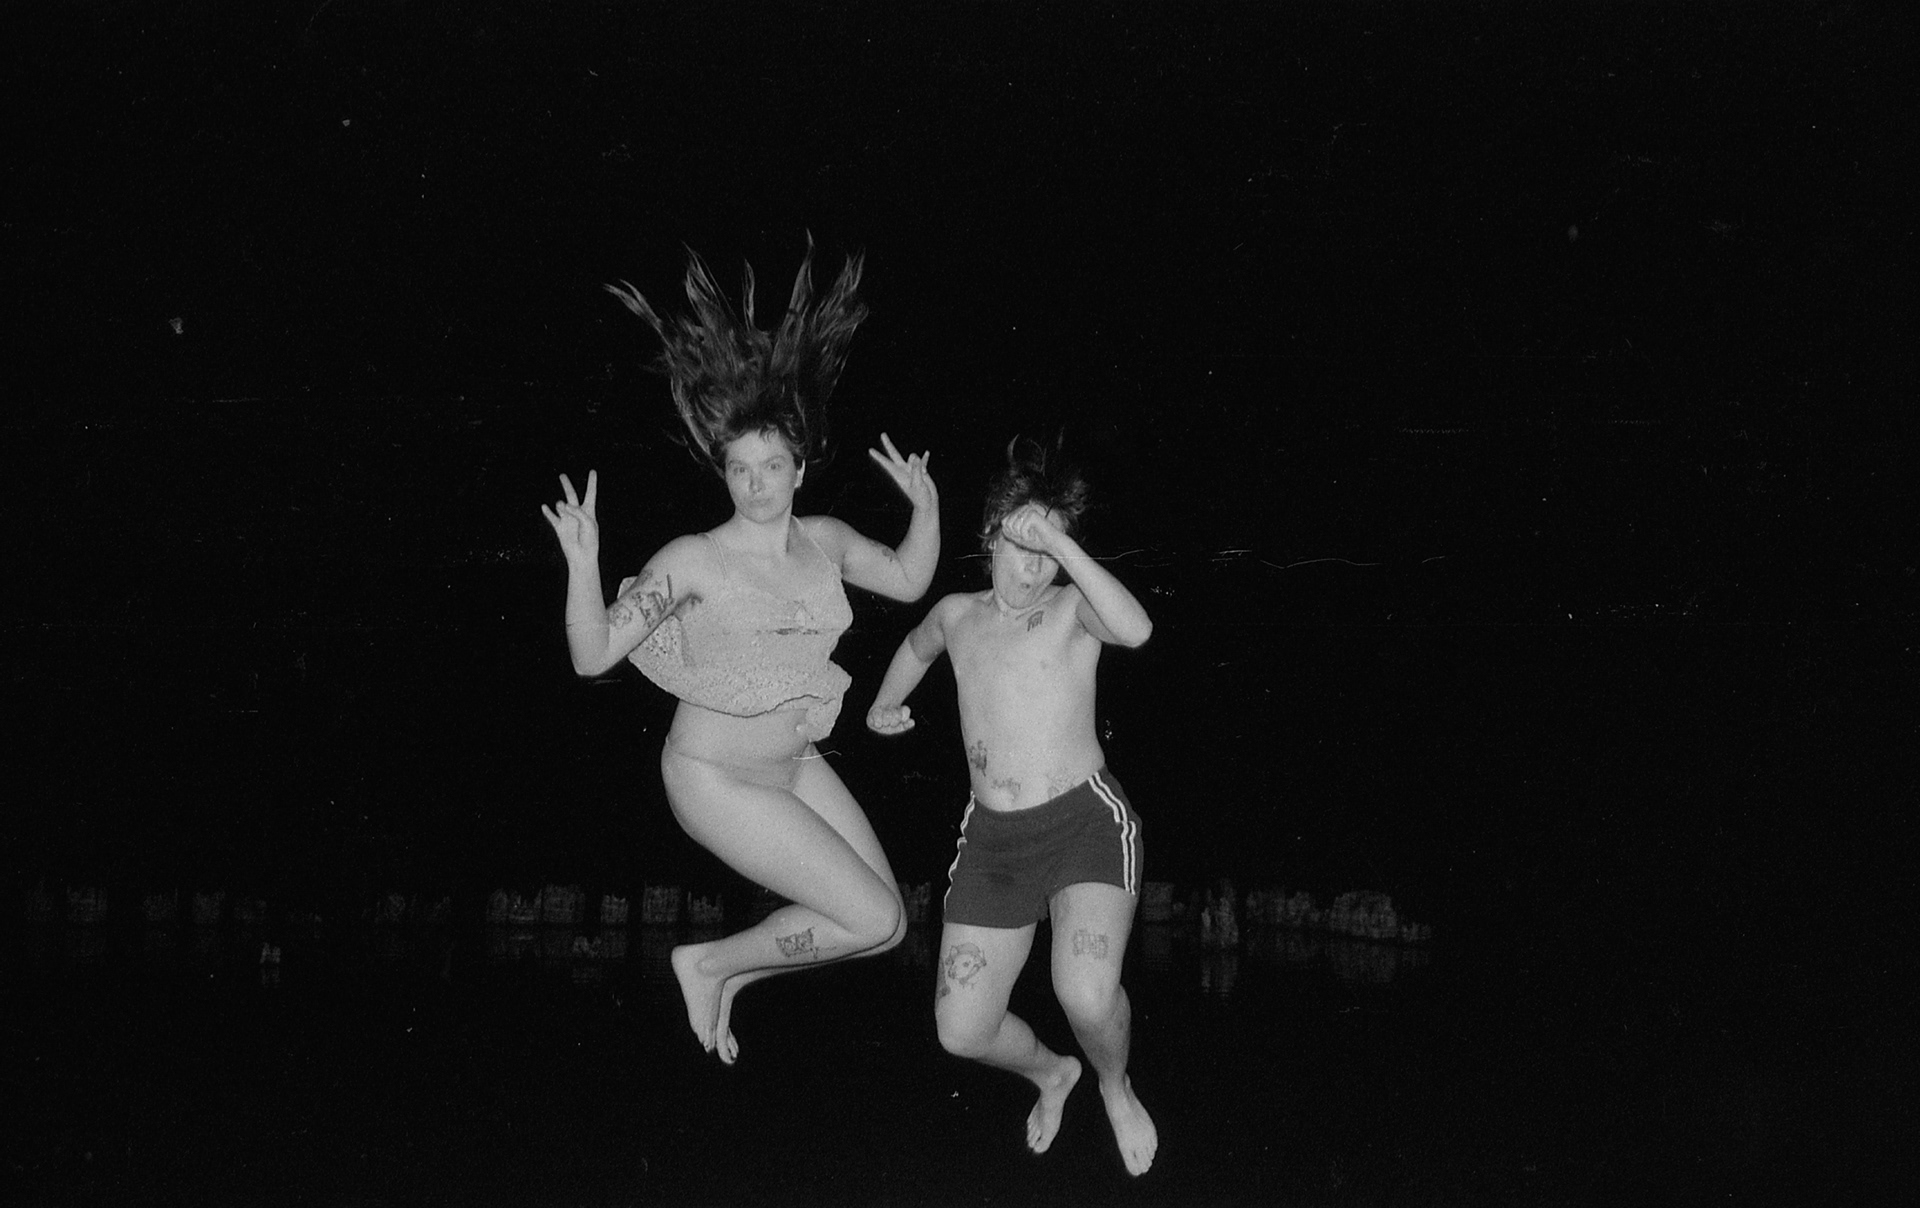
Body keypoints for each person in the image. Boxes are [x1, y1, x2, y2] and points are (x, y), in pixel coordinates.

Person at [542, 240, 939, 1065]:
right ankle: (709, 963)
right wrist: (584, 563)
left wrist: (927, 508)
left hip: (793, 765)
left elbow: (907, 579)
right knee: (867, 916)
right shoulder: (694, 559)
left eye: (771, 466)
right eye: (739, 468)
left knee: (888, 926)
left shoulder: (826, 540)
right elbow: (592, 656)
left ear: (800, 468)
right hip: (714, 777)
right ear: (722, 473)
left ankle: (732, 973)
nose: (755, 484)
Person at [866, 438, 1159, 1176]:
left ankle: (1114, 1084)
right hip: (994, 841)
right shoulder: (956, 614)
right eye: (1023, 546)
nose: (1034, 570)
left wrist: (1061, 544)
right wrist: (882, 704)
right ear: (991, 533)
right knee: (961, 1031)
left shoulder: (1071, 608)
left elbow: (1137, 630)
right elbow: (916, 647)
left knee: (1084, 994)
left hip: (1086, 825)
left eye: (1047, 554)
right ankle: (1052, 1073)